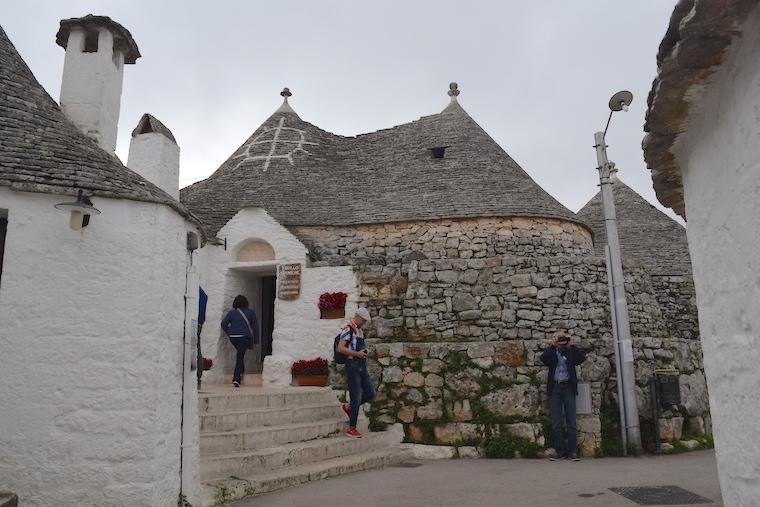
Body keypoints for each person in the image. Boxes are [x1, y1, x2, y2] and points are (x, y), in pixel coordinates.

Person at [540, 329, 586, 461]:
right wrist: (553, 345)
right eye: (558, 338)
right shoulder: (552, 351)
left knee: (571, 422)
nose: (561, 340)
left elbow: (581, 359)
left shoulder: (569, 351)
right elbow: (543, 359)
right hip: (555, 388)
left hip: (568, 387)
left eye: (562, 337)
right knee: (556, 423)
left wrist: (571, 344)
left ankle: (572, 452)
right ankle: (559, 451)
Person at [336, 308, 376, 438]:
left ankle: (348, 407)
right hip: (352, 365)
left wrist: (363, 352)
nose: (364, 323)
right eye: (363, 320)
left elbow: (359, 347)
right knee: (356, 396)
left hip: (361, 365)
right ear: (357, 316)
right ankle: (351, 428)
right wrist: (357, 354)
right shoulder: (348, 329)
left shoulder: (359, 331)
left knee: (370, 393)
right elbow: (341, 348)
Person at [220, 295, 259, 388]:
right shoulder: (250, 313)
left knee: (240, 354)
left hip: (233, 337)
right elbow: (255, 327)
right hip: (244, 337)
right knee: (240, 356)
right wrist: (256, 340)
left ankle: (241, 371)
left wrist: (230, 331)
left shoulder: (231, 313)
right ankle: (236, 379)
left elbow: (223, 324)